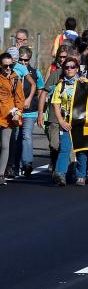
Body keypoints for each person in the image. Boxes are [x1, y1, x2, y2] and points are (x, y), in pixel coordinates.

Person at [51, 57, 86, 186]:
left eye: (72, 67)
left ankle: (80, 175)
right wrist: (61, 121)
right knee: (65, 148)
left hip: (81, 122)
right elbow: (56, 104)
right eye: (67, 67)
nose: (69, 69)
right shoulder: (61, 85)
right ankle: (60, 174)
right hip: (66, 122)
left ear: (77, 69)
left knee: (81, 149)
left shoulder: (83, 83)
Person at [13, 46, 42, 179]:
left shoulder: (35, 73)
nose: (24, 62)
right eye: (21, 59)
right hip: (15, 110)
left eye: (26, 60)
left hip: (30, 110)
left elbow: (41, 89)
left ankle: (27, 163)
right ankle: (15, 164)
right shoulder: (12, 70)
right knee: (16, 137)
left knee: (26, 135)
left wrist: (40, 108)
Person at [38, 48, 69, 170]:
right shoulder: (54, 72)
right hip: (53, 114)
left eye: (64, 57)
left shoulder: (76, 73)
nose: (62, 59)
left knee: (67, 146)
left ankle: (62, 170)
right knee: (54, 145)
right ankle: (55, 162)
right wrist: (40, 113)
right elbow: (44, 92)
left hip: (69, 116)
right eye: (60, 57)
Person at [0, 53, 24, 185]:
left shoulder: (16, 79)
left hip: (8, 118)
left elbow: (20, 99)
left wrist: (18, 113)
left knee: (5, 145)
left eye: (11, 65)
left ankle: (1, 174)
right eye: (5, 66)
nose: (8, 68)